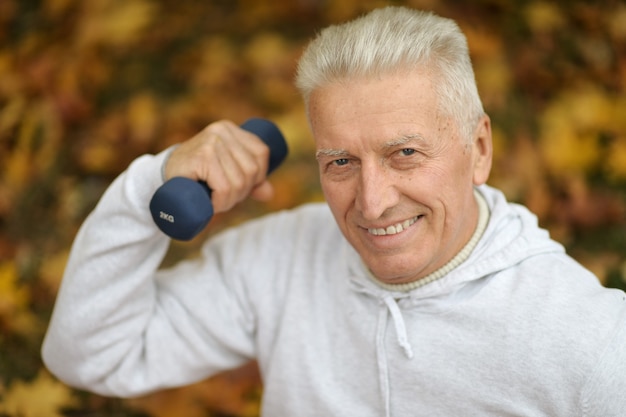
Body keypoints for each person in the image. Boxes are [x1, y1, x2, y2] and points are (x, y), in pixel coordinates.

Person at [42, 6, 626, 416]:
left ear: (478, 150)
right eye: (341, 162)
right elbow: (91, 358)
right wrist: (152, 182)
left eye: (404, 154)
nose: (371, 203)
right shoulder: (279, 259)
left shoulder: (585, 341)